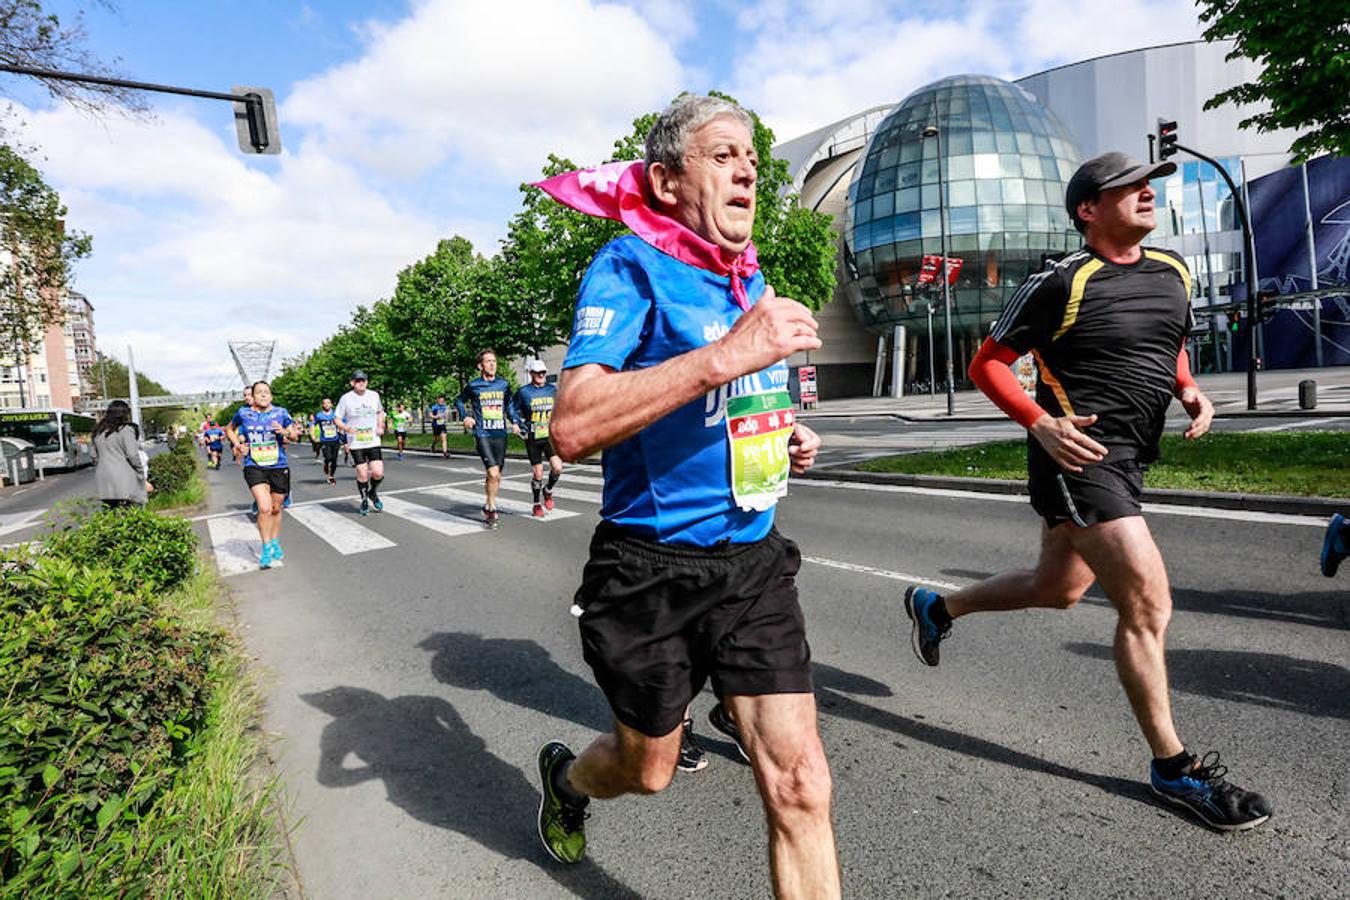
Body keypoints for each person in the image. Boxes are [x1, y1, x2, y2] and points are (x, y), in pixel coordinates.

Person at [903, 151, 1272, 832]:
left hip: (1132, 458)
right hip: (1080, 456)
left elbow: (1173, 341)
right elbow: (986, 365)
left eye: (1149, 185)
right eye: (1128, 186)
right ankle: (1174, 767)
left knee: (1059, 588)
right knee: (1147, 603)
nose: (1146, 193)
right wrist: (1041, 424)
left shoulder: (1174, 273)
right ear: (1087, 209)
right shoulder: (1061, 282)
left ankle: (938, 606)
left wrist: (1189, 389)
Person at [532, 95, 836, 898]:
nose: (747, 171)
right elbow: (573, 425)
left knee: (802, 784)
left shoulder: (748, 276)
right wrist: (726, 358)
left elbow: (737, 386)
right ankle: (567, 785)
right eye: (724, 155)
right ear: (667, 181)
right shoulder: (629, 265)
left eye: (752, 161)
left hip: (752, 564)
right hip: (648, 572)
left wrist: (780, 430)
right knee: (650, 768)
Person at [226, 381, 299, 569]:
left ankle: (274, 542)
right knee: (264, 508)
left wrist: (283, 431)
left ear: (271, 396)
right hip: (254, 465)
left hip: (278, 465)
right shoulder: (244, 413)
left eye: (266, 392)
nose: (263, 395)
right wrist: (237, 444)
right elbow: (229, 429)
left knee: (276, 508)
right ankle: (266, 547)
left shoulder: (281, 413)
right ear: (253, 397)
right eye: (259, 392)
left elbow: (294, 436)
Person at [456, 349, 514, 529]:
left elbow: (510, 405)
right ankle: (492, 507)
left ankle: (488, 504)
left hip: (500, 435)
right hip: (483, 434)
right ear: (480, 366)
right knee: (493, 472)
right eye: (488, 361)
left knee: (496, 476)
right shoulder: (474, 386)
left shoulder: (504, 384)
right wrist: (465, 416)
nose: (492, 364)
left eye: (494, 361)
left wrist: (515, 421)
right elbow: (459, 400)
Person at [510, 359, 564, 517]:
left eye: (543, 372)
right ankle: (536, 503)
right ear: (531, 373)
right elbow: (512, 409)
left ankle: (548, 490)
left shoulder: (552, 390)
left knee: (557, 467)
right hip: (533, 437)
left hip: (549, 436)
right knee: (538, 473)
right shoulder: (523, 392)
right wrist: (516, 423)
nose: (541, 375)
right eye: (538, 372)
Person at [335, 370, 386, 516]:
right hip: (356, 442)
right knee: (363, 473)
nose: (361, 383)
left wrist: (380, 425)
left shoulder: (374, 395)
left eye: (363, 380)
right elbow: (337, 418)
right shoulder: (346, 399)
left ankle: (372, 492)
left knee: (378, 472)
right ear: (352, 383)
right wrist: (346, 428)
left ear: (367, 382)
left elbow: (380, 412)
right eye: (358, 380)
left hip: (373, 440)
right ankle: (364, 499)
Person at [92, 400, 152, 508]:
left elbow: (94, 456)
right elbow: (133, 454)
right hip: (125, 479)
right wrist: (141, 473)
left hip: (104, 480)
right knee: (133, 512)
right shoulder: (126, 430)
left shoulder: (98, 432)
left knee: (112, 514)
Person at [314, 398, 341, 485]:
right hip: (325, 440)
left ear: (331, 404)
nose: (326, 405)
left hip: (335, 439)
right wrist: (314, 435)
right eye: (324, 403)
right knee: (328, 457)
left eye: (328, 403)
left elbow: (342, 424)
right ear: (322, 405)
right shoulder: (319, 415)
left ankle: (331, 476)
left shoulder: (335, 415)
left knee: (334, 459)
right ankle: (326, 463)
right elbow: (312, 424)